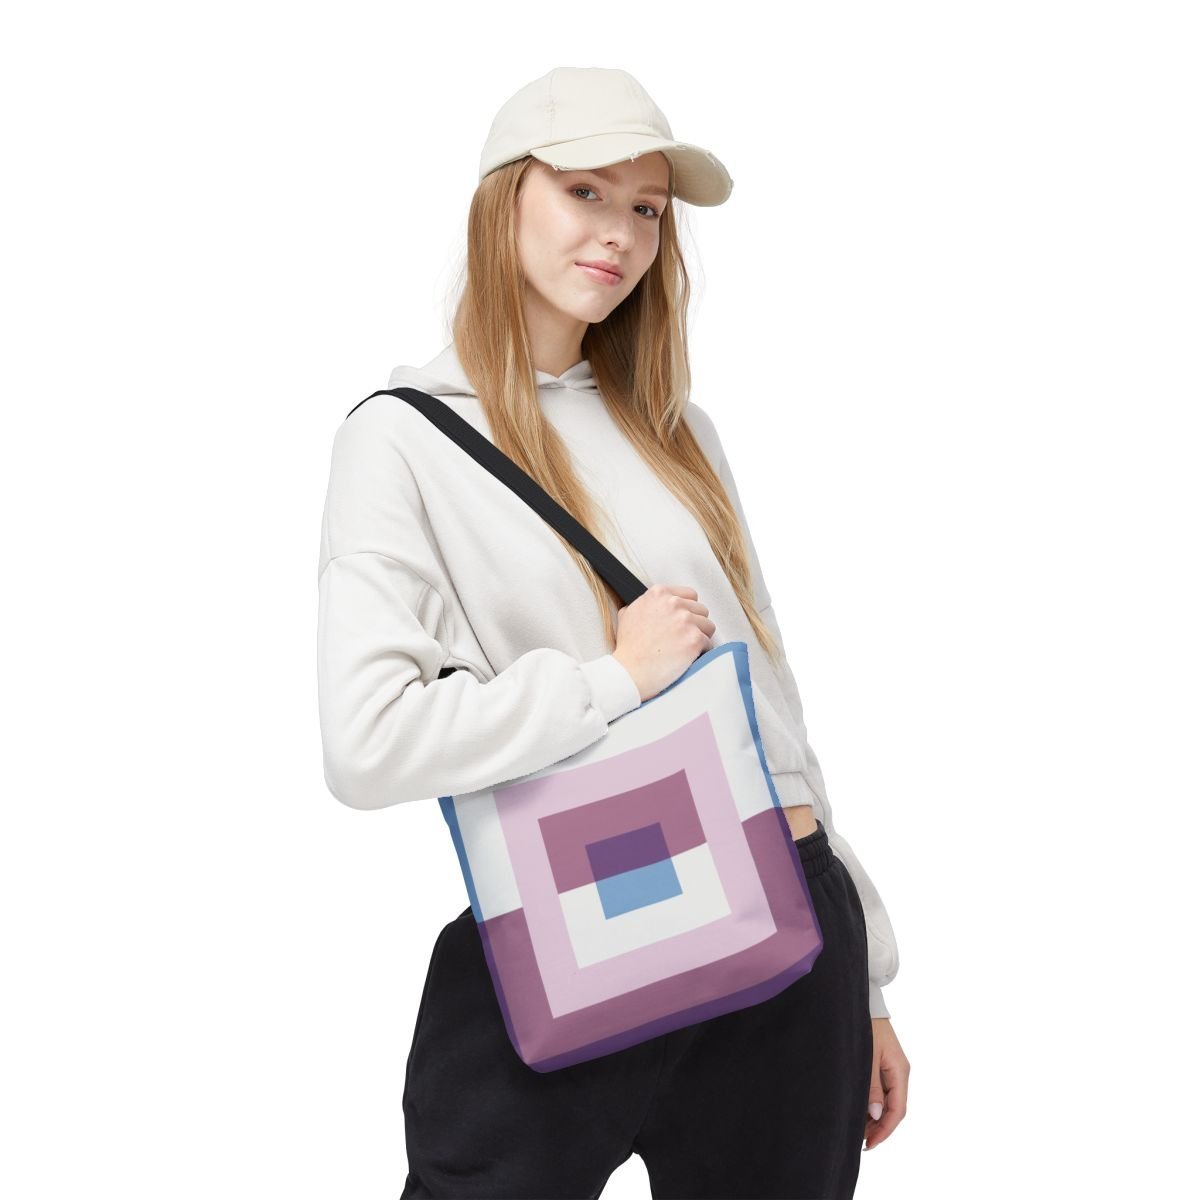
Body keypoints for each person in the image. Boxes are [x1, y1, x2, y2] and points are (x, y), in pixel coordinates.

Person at [317, 66, 909, 1200]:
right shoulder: (404, 441)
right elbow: (367, 741)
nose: (621, 235)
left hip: (786, 929)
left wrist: (869, 980)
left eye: (646, 208)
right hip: (571, 933)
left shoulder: (678, 431)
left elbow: (770, 708)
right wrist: (614, 680)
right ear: (504, 199)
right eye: (585, 191)